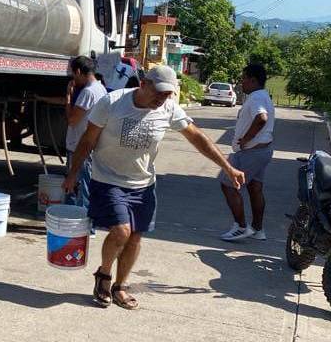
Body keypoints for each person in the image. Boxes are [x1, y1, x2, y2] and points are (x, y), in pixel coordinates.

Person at [65, 65, 245, 310]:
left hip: (143, 183)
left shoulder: (169, 108)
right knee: (121, 231)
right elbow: (88, 139)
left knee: (136, 237)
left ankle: (120, 286)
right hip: (108, 179)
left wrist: (227, 167)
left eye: (167, 94)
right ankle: (104, 276)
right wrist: (73, 173)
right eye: (158, 92)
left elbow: (197, 138)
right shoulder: (112, 102)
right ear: (143, 84)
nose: (161, 99)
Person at [219, 63, 275, 241]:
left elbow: (261, 118)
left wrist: (246, 139)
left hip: (251, 152)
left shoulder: (256, 98)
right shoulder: (263, 96)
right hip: (263, 150)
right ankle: (258, 230)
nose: (241, 82)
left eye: (243, 78)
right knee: (255, 188)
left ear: (252, 80)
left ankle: (241, 227)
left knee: (228, 184)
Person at [63, 56, 107, 208]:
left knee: (78, 188)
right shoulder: (101, 89)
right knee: (84, 188)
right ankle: (83, 225)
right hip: (90, 146)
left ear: (79, 71)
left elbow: (72, 120)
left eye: (73, 74)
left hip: (79, 147)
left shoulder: (88, 92)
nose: (73, 78)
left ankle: (82, 226)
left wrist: (68, 96)